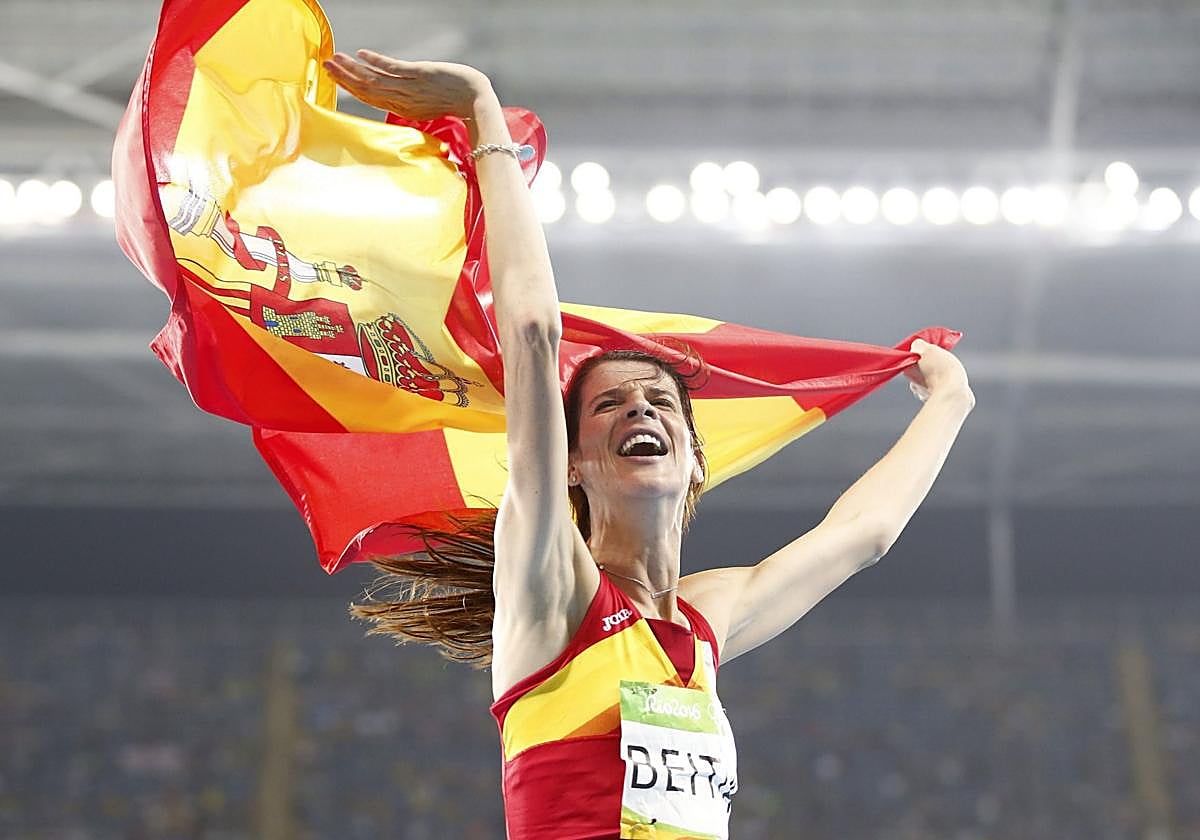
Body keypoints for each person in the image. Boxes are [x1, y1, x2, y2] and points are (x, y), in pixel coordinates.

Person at [323, 49, 976, 840]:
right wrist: (483, 115)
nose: (643, 409)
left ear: (695, 458)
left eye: (662, 400)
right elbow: (532, 332)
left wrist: (950, 400)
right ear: (571, 459)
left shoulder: (705, 621)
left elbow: (861, 536)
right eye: (610, 404)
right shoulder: (552, 588)